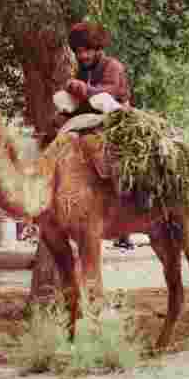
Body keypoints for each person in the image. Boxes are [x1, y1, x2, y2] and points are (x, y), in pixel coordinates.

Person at [54, 21, 135, 251]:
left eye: (87, 50)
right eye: (79, 51)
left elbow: (112, 91)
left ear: (98, 48)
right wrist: (72, 88)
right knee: (59, 99)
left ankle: (124, 223)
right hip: (89, 115)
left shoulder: (113, 66)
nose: (83, 55)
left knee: (115, 161)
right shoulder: (82, 68)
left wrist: (84, 89)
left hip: (114, 112)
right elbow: (79, 94)